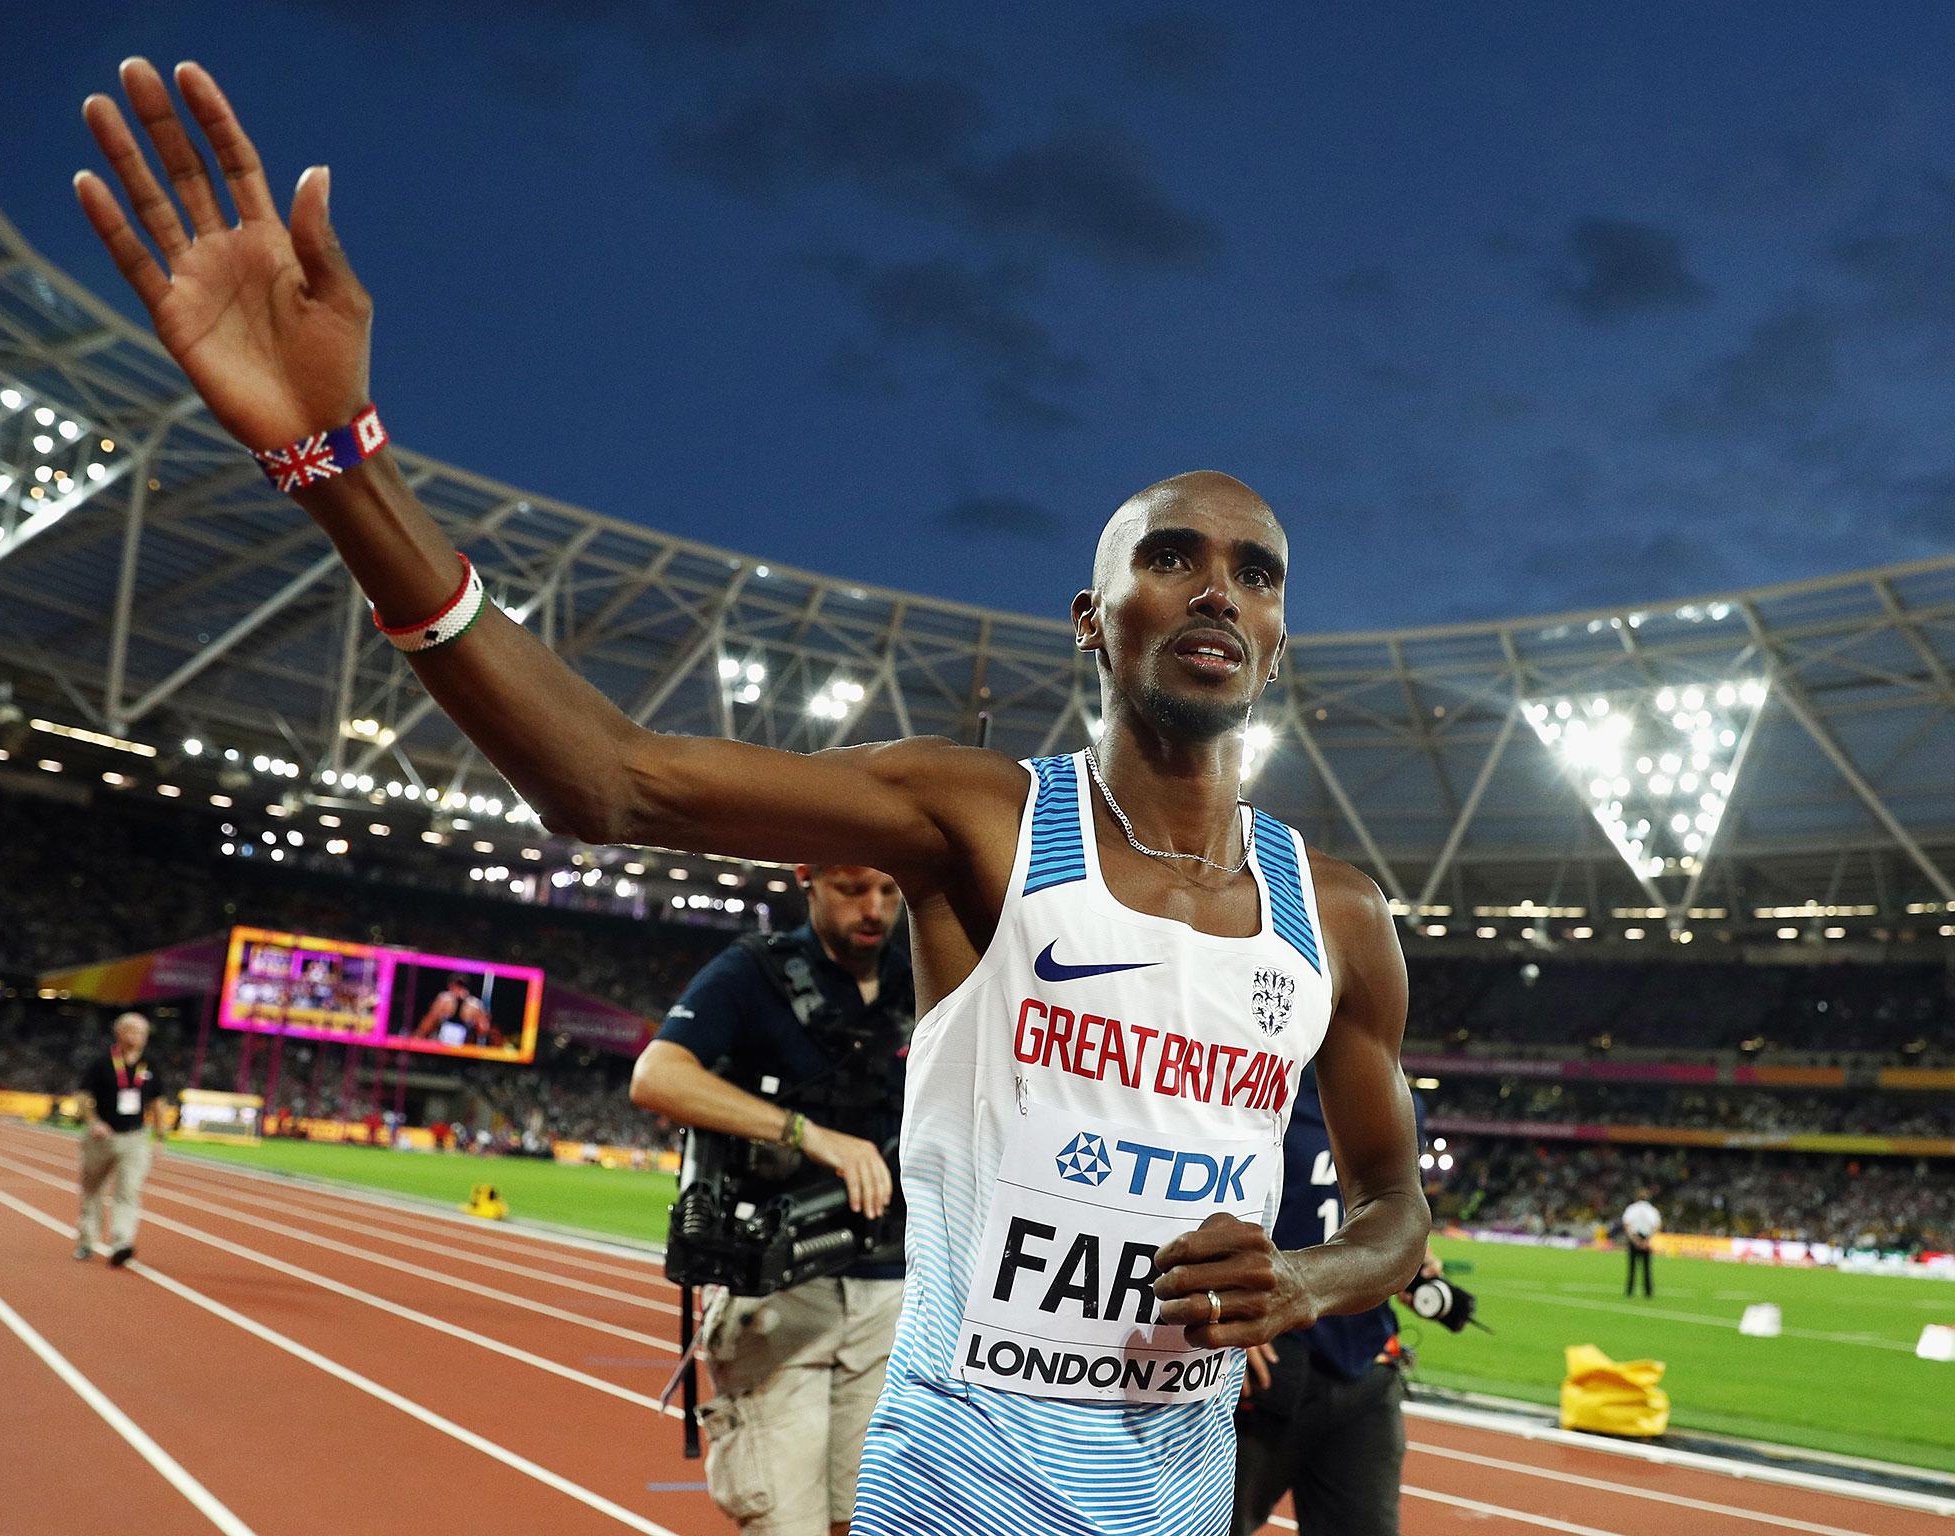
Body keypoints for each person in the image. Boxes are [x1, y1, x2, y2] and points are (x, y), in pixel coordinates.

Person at [70, 62, 1428, 1536]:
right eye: (1172, 556)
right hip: (963, 1488)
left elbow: (1396, 1205)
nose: (1218, 586)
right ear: (1092, 621)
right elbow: (610, 779)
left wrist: (1310, 1277)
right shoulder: (978, 822)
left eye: (1257, 572)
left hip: (1180, 1494)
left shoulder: (1337, 919)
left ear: (1280, 639)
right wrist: (333, 464)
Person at [630, 864, 913, 1536]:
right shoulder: (753, 972)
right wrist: (805, 1134)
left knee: (869, 1520)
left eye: (889, 891)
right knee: (786, 1525)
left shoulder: (921, 977)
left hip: (894, 1288)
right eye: (852, 890)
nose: (873, 909)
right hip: (779, 1291)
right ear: (807, 878)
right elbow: (656, 1076)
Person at [1230, 1066, 1436, 1535]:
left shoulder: (1393, 1091)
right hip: (1266, 1364)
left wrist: (1407, 1261)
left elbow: (1390, 1211)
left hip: (1364, 1362)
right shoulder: (1248, 1072)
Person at [73, 1011, 167, 1266]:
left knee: (128, 1191)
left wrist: (160, 1137)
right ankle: (86, 1241)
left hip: (135, 1138)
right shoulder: (102, 1062)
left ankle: (121, 1243)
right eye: (133, 1031)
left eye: (143, 1033)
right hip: (102, 1137)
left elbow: (158, 1103)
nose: (139, 1037)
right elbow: (82, 1097)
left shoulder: (151, 1065)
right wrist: (93, 1122)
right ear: (119, 1033)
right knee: (92, 1190)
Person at [413, 975, 492, 1046]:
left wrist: (417, 1036)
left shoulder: (445, 1000)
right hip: (446, 1045)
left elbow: (483, 1030)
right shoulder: (445, 999)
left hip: (460, 1048)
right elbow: (430, 1020)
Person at [1620, 1188, 1661, 1298]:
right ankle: (1648, 1292)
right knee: (1647, 1268)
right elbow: (1657, 1226)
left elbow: (1627, 1225)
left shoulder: (1631, 1209)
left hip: (1634, 1237)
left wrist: (1635, 1241)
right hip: (1646, 1238)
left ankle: (1629, 1291)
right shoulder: (1652, 1210)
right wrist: (1647, 1241)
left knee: (1632, 1267)